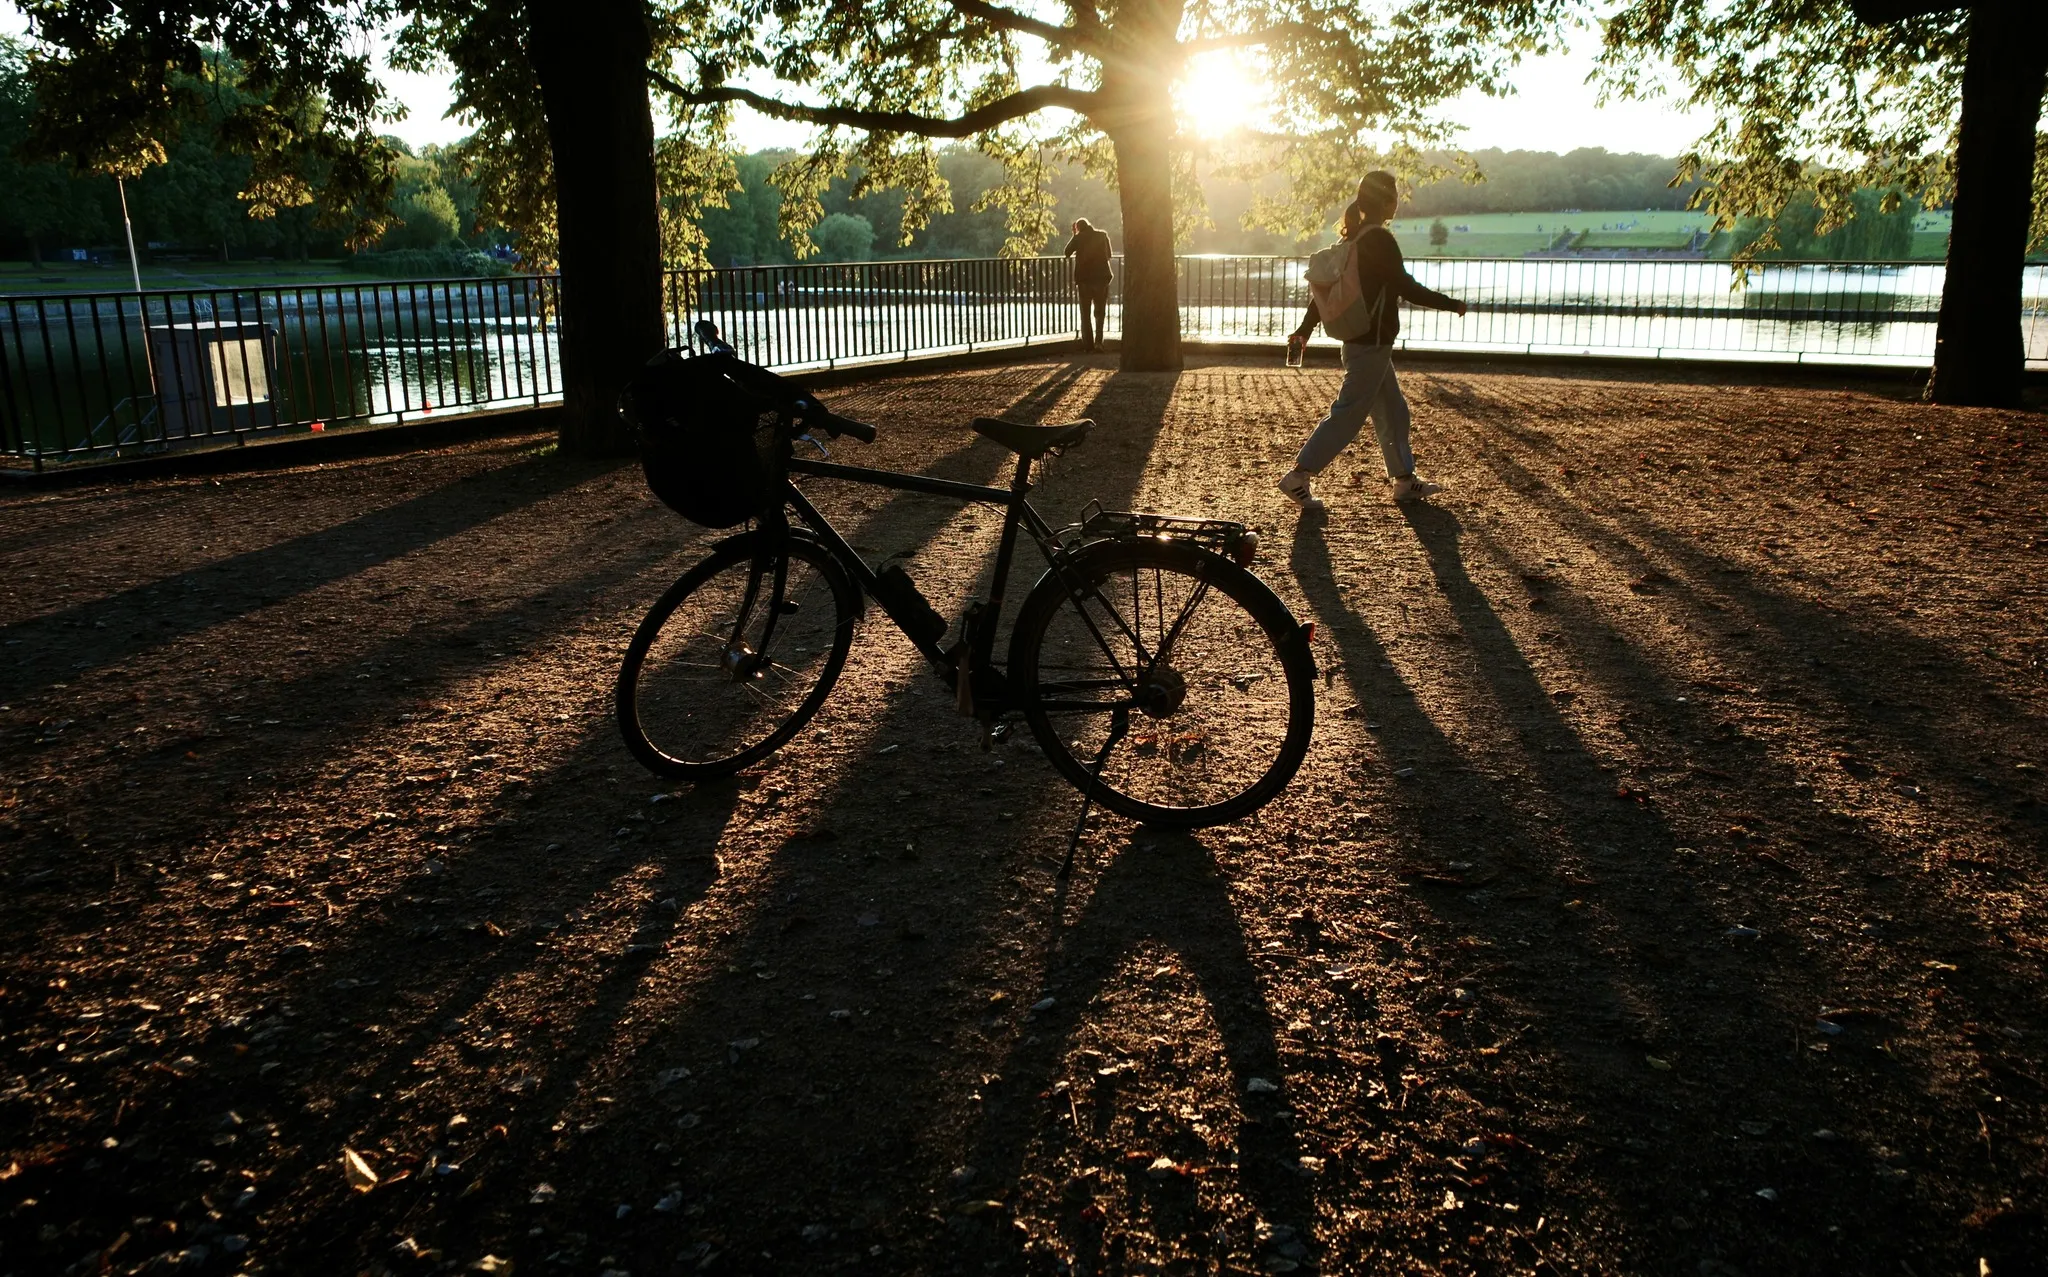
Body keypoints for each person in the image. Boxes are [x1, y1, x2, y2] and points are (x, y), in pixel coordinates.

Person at [1278, 171, 1467, 512]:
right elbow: (1406, 287)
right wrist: (1451, 304)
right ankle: (1299, 475)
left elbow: (1327, 294)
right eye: (1394, 195)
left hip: (1364, 343)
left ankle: (1404, 480)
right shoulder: (1378, 240)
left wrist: (1304, 330)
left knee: (1393, 411)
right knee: (1348, 414)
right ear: (1386, 201)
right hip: (1371, 344)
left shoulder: (1358, 238)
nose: (1398, 201)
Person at [1062, 218, 1113, 352]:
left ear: (1078, 228)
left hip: (1084, 280)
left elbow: (1067, 252)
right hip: (1101, 279)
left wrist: (1074, 236)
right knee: (1100, 312)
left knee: (1085, 313)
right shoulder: (1102, 235)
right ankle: (1099, 343)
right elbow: (1109, 255)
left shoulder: (1079, 238)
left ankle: (1088, 345)